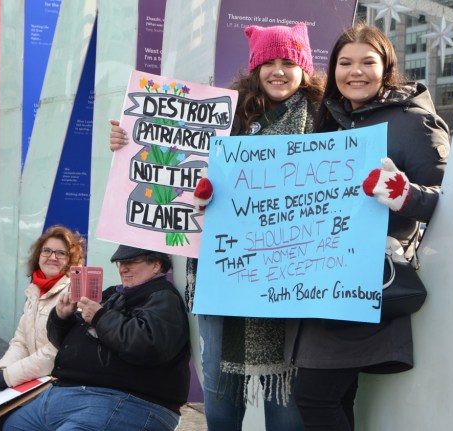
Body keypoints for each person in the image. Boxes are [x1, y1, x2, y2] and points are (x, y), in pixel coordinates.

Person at [111, 22, 324, 431]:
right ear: (254, 67)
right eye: (269, 62)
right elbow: (168, 153)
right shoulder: (226, 116)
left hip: (290, 283)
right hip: (223, 275)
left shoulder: (323, 118)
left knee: (288, 405)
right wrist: (128, 139)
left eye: (288, 62)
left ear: (304, 68)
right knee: (221, 400)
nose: (278, 71)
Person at [284, 22, 451, 430]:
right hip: (324, 281)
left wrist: (405, 194)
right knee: (335, 398)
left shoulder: (413, 122)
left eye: (367, 62)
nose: (355, 71)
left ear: (386, 67)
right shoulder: (332, 122)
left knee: (313, 398)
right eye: (345, 62)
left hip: (369, 283)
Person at [3, 245, 191, 431]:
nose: (123, 268)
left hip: (122, 400)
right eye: (120, 263)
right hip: (66, 394)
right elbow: (63, 343)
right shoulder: (114, 293)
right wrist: (61, 317)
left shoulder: (163, 297)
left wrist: (100, 317)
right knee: (13, 425)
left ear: (157, 264)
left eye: (131, 262)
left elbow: (148, 345)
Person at [0, 225, 86, 399]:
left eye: (61, 253)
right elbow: (21, 341)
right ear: (38, 255)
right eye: (47, 251)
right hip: (34, 380)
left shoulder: (74, 295)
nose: (52, 257)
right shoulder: (35, 291)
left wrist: (9, 377)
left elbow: (57, 351)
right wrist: (2, 370)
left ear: (71, 260)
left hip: (61, 387)